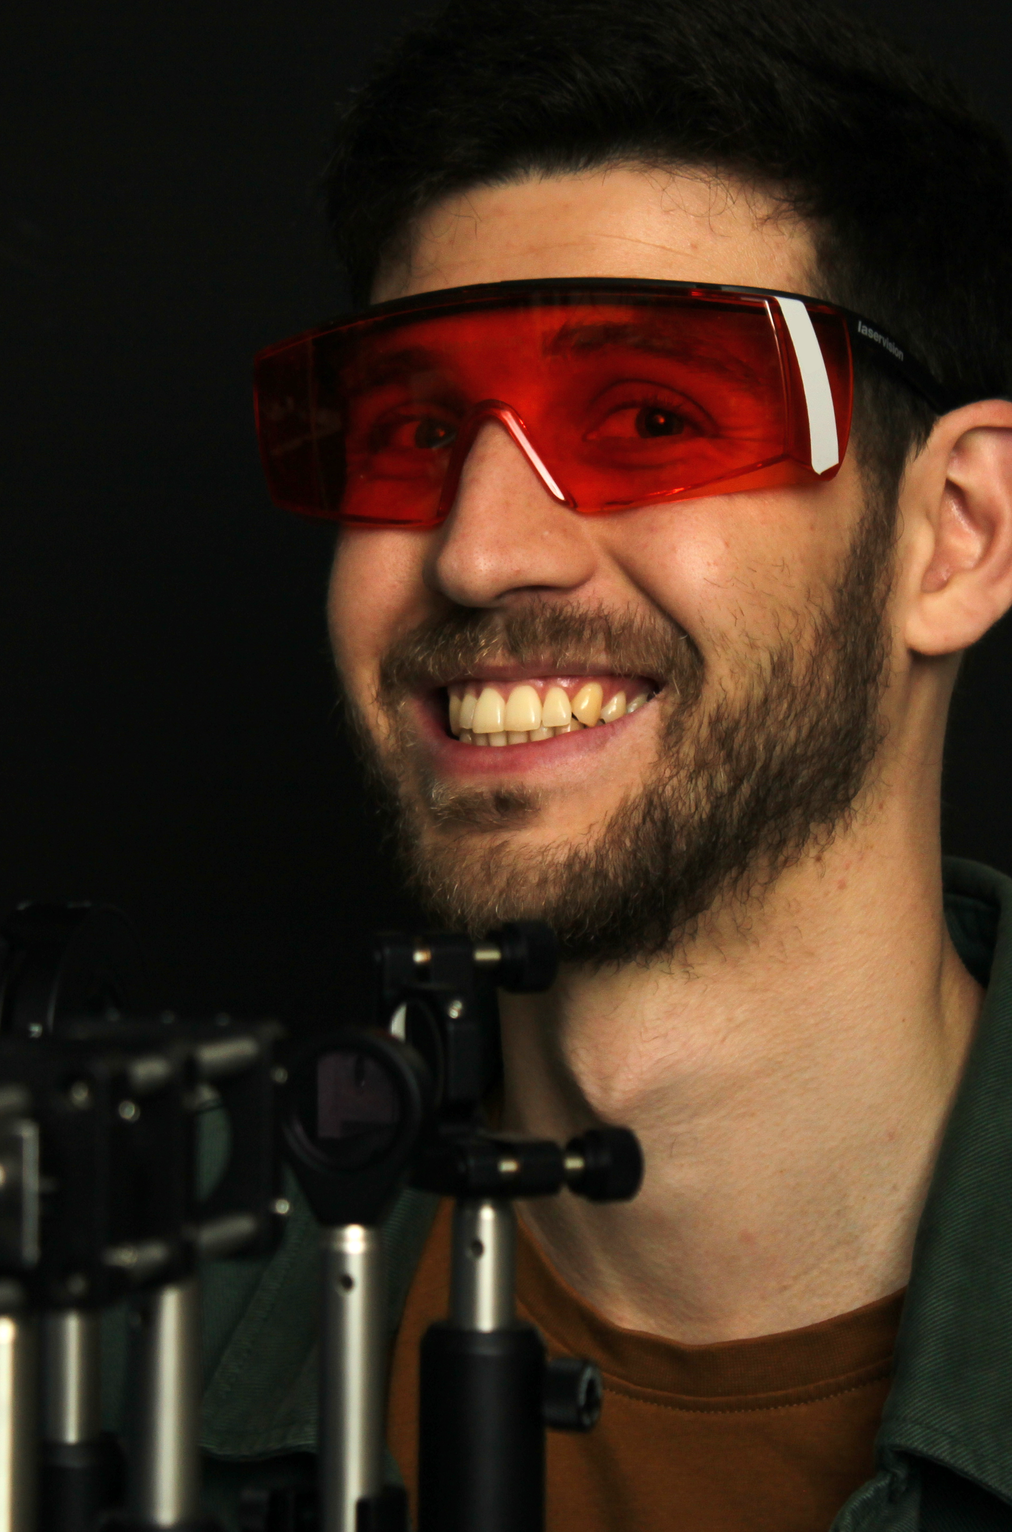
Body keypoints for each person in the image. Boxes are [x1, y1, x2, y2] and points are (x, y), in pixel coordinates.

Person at [197, 0, 1012, 1526]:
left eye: (648, 415)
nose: (481, 553)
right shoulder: (121, 1285)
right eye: (418, 434)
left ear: (955, 535)